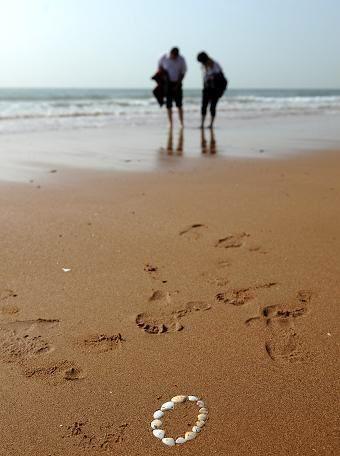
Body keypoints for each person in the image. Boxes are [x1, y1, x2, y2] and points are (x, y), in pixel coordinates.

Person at [197, 52, 227, 129]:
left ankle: (211, 124)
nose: (201, 63)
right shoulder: (203, 66)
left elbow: (220, 76)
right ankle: (202, 124)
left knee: (212, 107)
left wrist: (212, 78)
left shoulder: (215, 64)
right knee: (204, 106)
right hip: (206, 88)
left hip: (215, 89)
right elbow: (204, 77)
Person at [158, 47, 187, 127]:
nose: (174, 58)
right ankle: (170, 123)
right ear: (170, 53)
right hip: (167, 83)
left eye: (175, 57)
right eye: (173, 56)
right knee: (168, 105)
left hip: (177, 83)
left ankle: (182, 123)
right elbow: (159, 68)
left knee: (179, 104)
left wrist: (178, 84)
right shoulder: (163, 57)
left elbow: (183, 72)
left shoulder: (181, 59)